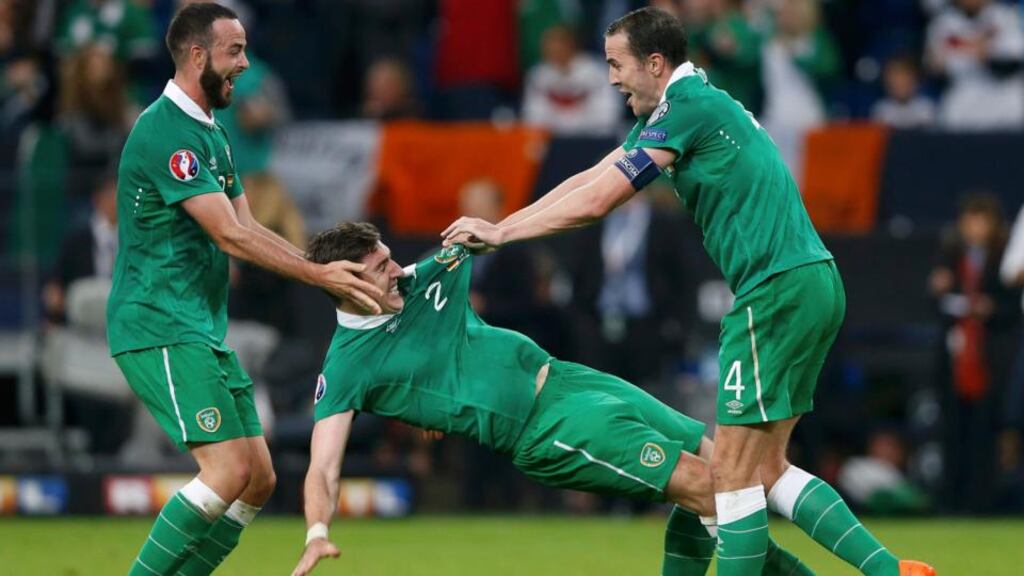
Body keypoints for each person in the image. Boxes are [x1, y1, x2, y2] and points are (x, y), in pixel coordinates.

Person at [442, 7, 934, 576]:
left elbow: (602, 201)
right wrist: (504, 226)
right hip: (808, 282)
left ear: (655, 63)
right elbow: (589, 179)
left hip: (774, 291)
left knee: (728, 474)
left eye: (616, 64)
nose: (610, 78)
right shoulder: (687, 106)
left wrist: (503, 233)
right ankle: (889, 571)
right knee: (766, 468)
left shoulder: (689, 107)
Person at [290, 222, 815, 576]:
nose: (398, 268)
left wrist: (487, 228)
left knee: (721, 465)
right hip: (545, 428)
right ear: (344, 281)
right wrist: (317, 530)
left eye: (391, 257)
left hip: (572, 380)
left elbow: (490, 238)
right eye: (381, 267)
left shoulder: (421, 278)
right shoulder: (346, 365)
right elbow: (323, 467)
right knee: (711, 491)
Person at [105, 4, 380, 575]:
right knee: (227, 470)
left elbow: (251, 227)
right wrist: (319, 275)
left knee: (258, 479)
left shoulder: (212, 133)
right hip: (157, 323)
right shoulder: (165, 133)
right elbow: (229, 235)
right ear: (198, 55)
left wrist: (318, 268)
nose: (245, 64)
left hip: (199, 327)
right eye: (235, 52)